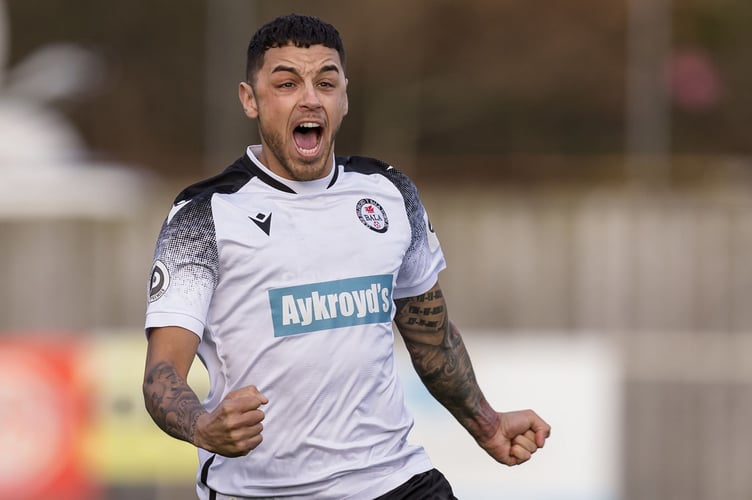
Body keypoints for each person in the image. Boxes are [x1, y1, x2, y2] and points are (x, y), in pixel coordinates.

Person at [142, 13, 550, 500]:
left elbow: (430, 335)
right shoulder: (204, 214)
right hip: (263, 492)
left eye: (326, 82)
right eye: (287, 82)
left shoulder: (390, 193)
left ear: (344, 97)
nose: (310, 97)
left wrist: (485, 423)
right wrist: (204, 427)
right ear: (250, 100)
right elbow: (161, 373)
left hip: (393, 480)